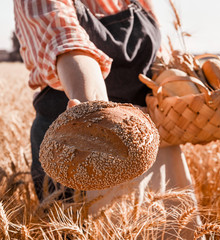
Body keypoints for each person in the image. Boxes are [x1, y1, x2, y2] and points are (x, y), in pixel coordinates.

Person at [14, 0, 201, 238]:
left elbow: (159, 60)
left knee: (168, 229)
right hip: (77, 151)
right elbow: (68, 45)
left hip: (150, 145)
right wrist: (94, 112)